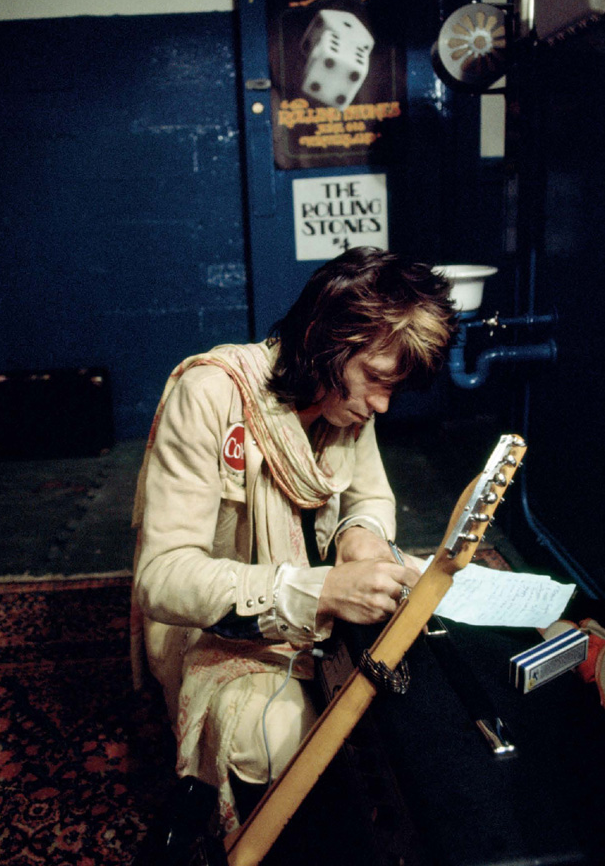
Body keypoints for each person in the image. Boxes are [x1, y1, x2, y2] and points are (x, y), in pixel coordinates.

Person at [130, 247, 455, 854]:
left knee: (423, 712)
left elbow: (371, 500)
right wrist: (321, 589)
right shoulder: (210, 395)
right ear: (324, 343)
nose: (383, 405)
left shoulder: (351, 403)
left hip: (328, 616)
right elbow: (162, 577)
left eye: (396, 386)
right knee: (289, 741)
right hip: (222, 637)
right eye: (378, 379)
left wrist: (361, 535)